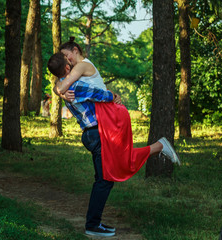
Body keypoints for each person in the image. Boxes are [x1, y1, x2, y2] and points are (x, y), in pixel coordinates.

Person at [47, 45, 180, 237]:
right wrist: (114, 96)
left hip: (94, 133)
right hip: (97, 134)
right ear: (67, 69)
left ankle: (158, 147)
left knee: (106, 177)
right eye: (67, 60)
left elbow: (63, 86)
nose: (70, 63)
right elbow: (99, 95)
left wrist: (58, 89)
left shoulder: (66, 85)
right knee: (105, 180)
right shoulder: (76, 85)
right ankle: (92, 225)